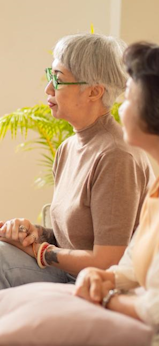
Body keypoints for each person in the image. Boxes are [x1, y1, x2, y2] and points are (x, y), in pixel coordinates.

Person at [0, 34, 155, 346]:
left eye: (58, 79)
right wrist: (33, 234)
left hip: (97, 283)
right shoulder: (70, 146)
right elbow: (72, 235)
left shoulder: (116, 156)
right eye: (49, 76)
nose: (48, 89)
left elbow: (109, 260)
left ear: (94, 91)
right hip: (72, 274)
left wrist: (40, 252)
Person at [74, 42, 159, 341]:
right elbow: (132, 265)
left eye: (129, 97)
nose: (120, 107)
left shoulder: (116, 156)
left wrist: (106, 298)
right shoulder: (156, 188)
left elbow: (156, 309)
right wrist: (104, 277)